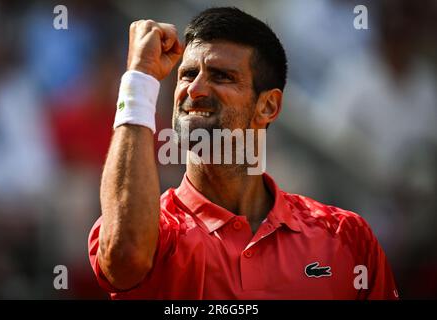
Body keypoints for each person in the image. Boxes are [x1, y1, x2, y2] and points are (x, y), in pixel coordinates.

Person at [88, 7, 398, 299]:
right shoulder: (153, 233)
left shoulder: (347, 236)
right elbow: (125, 255)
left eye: (221, 76)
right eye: (187, 74)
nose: (194, 89)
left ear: (268, 106)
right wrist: (139, 78)